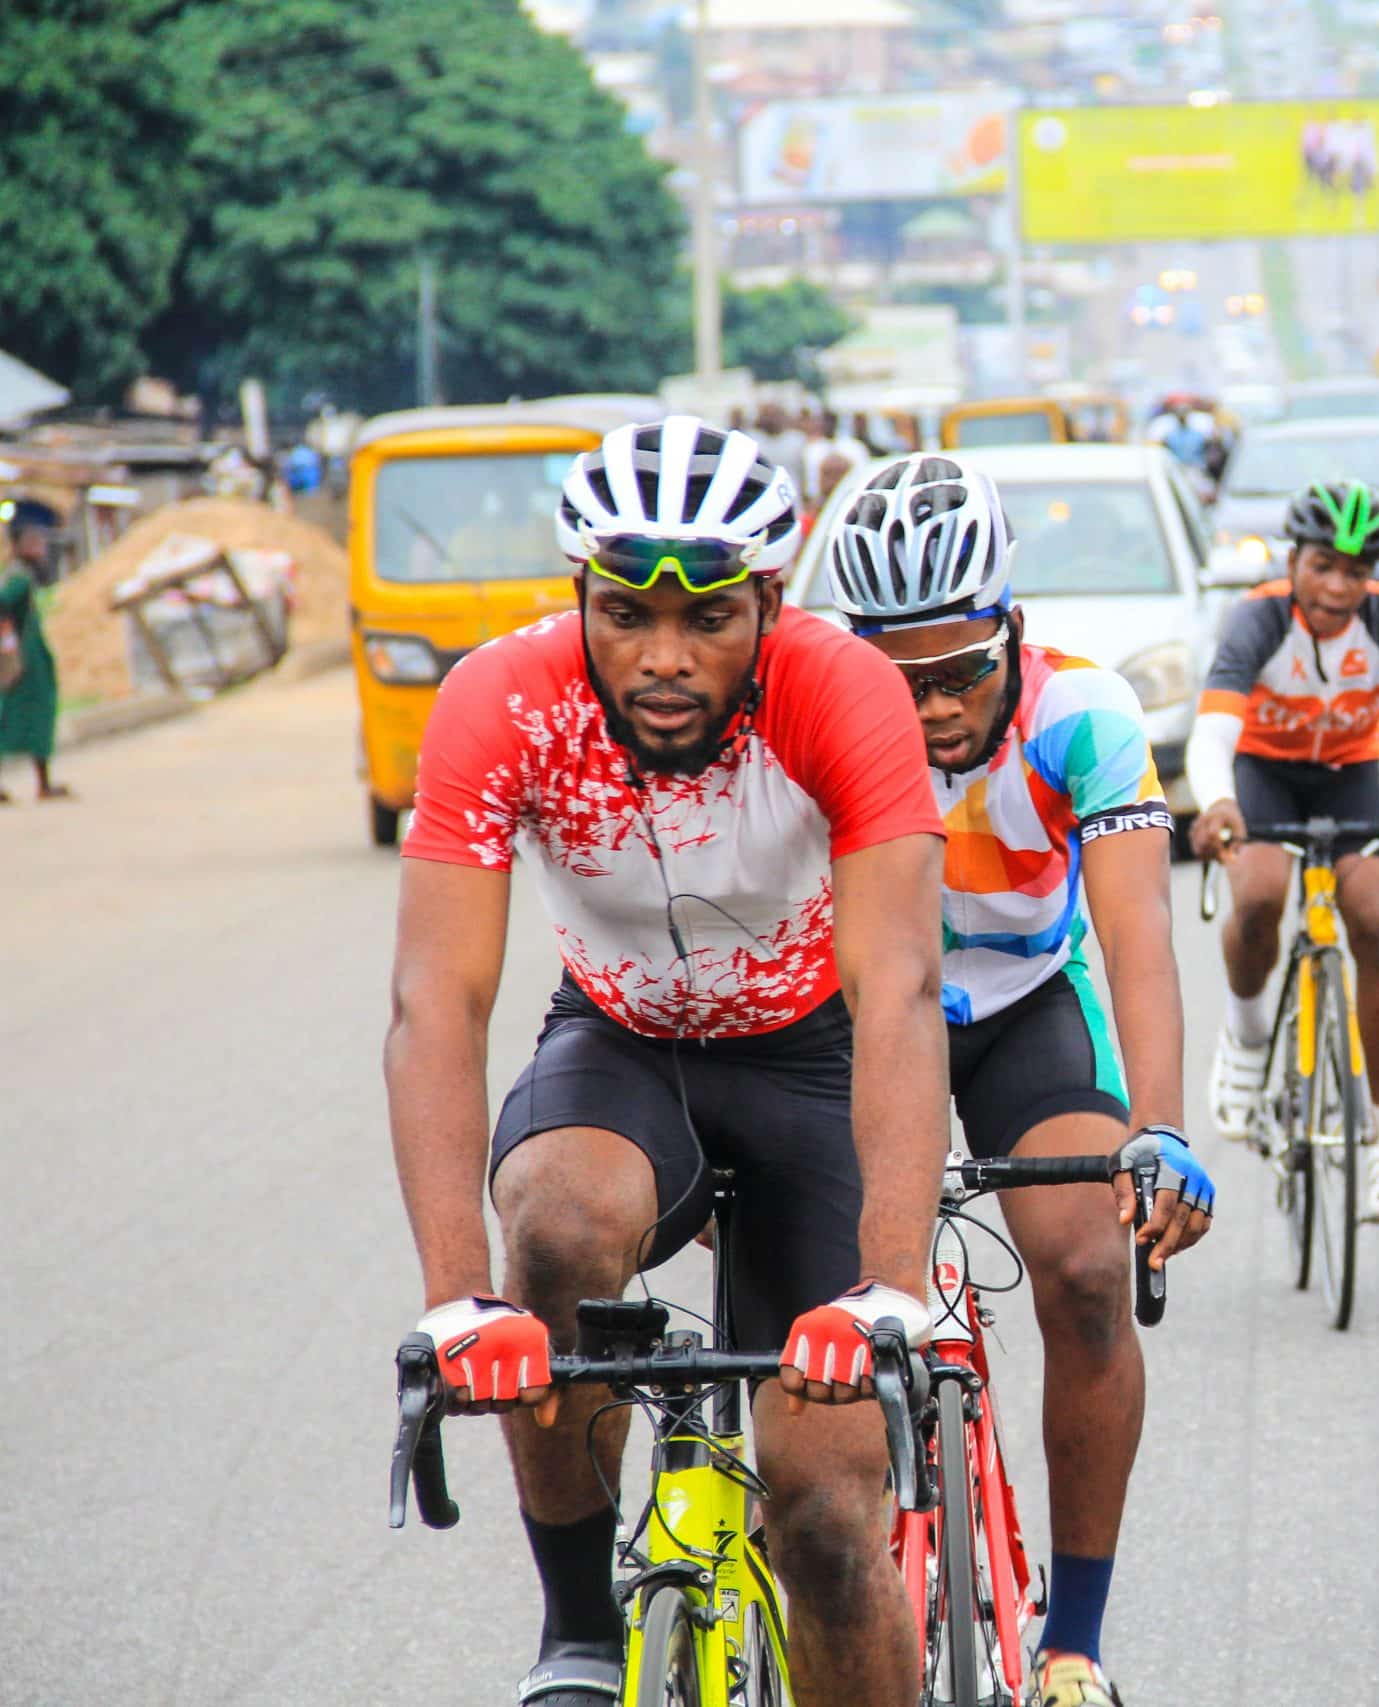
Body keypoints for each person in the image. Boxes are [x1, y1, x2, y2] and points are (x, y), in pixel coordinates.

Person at [388, 416, 961, 1707]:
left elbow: (901, 986)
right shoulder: (502, 697)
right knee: (554, 1223)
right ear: (576, 592)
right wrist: (455, 1295)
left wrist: (893, 1281)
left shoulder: (841, 689)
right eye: (625, 610)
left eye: (707, 616)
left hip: (813, 1062)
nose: (662, 655)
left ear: (770, 598)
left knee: (820, 1516)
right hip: (621, 1043)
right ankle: (582, 1625)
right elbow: (436, 997)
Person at [819, 454, 1216, 1707]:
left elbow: (1139, 941)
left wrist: (1158, 1127)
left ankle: (1072, 1644)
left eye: (960, 674)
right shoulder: (814, 725)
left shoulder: (1080, 717)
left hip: (1025, 1008)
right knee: (808, 1299)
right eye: (898, 678)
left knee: (1091, 1269)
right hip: (858, 1018)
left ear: (1016, 635)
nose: (931, 711)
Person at [1186, 479, 1379, 1225]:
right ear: (1294, 560)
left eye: (1355, 569)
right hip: (1265, 775)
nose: (1338, 586)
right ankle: (1245, 1043)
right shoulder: (1258, 618)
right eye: (1322, 566)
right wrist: (1219, 805)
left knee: (1373, 917)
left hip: (1350, 778)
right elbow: (1211, 734)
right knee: (1261, 894)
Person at [0, 504, 67, 802]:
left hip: (29, 656)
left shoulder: (21, 575)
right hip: (22, 660)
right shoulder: (17, 578)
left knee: (28, 718)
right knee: (23, 717)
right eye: (33, 541)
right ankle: (43, 785)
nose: (40, 546)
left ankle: (43, 783)